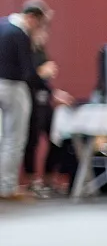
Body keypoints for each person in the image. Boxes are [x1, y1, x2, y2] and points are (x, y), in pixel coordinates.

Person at [0, 0, 53, 201]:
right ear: (32, 18)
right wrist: (46, 84)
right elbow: (28, 72)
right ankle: (7, 187)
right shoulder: (19, 34)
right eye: (38, 24)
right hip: (13, 88)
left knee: (1, 138)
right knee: (14, 139)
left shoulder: (2, 26)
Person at [22, 27, 74, 197]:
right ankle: (31, 181)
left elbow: (43, 82)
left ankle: (49, 178)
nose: (44, 36)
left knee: (58, 137)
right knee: (32, 142)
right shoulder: (23, 49)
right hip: (28, 101)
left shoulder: (41, 52)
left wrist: (54, 93)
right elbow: (27, 78)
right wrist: (41, 73)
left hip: (44, 102)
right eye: (40, 31)